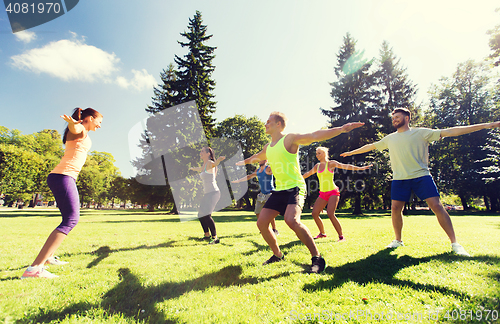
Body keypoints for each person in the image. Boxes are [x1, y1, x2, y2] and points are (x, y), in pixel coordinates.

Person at [341, 108, 500, 256]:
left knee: (437, 206)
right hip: (399, 179)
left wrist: (489, 125)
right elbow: (370, 146)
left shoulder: (421, 133)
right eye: (393, 118)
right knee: (396, 208)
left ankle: (455, 244)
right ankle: (398, 240)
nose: (394, 120)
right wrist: (351, 153)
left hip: (421, 176)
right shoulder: (390, 138)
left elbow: (451, 131)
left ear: (407, 118)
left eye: (397, 117)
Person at [236, 111, 364, 273]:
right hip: (279, 190)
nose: (265, 124)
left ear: (278, 124)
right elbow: (256, 157)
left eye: (269, 121)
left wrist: (341, 129)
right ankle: (277, 254)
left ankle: (317, 257)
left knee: (292, 220)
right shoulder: (268, 147)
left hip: (295, 187)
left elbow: (315, 135)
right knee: (261, 222)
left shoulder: (289, 139)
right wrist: (240, 163)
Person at [22, 108, 103, 279]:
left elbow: (78, 129)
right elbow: (77, 129)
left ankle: (48, 257)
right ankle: (35, 269)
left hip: (63, 177)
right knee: (71, 219)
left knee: (68, 219)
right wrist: (74, 125)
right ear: (89, 118)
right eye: (99, 122)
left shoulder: (83, 132)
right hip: (63, 176)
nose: (100, 126)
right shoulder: (79, 130)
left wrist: (75, 125)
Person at [303, 146, 372, 241]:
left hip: (332, 192)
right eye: (316, 153)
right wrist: (296, 179)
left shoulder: (331, 164)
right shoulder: (317, 166)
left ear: (324, 154)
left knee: (330, 214)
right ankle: (322, 233)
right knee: (314, 213)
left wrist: (360, 168)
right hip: (322, 193)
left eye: (319, 153)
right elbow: (307, 174)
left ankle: (341, 236)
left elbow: (346, 166)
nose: (317, 155)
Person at [232, 160, 279, 235]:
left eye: (261, 159)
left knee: (269, 213)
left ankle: (274, 229)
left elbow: (278, 171)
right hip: (262, 194)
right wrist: (238, 181)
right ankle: (263, 228)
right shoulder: (257, 170)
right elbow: (249, 176)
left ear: (266, 160)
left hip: (270, 194)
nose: (259, 160)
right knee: (257, 212)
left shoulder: (268, 168)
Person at [190, 146, 225, 245]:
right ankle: (206, 235)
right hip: (207, 193)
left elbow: (215, 164)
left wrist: (218, 160)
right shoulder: (204, 164)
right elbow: (200, 169)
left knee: (206, 214)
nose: (200, 153)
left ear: (208, 154)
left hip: (214, 192)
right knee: (200, 214)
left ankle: (215, 237)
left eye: (202, 151)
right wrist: (192, 168)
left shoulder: (210, 163)